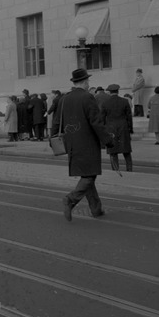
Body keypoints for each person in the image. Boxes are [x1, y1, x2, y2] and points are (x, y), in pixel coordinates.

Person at [55, 68, 114, 222]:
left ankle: (96, 209)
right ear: (85, 81)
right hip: (87, 143)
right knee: (89, 175)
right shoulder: (87, 97)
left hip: (72, 143)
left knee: (88, 175)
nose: (89, 84)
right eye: (88, 81)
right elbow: (96, 122)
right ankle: (70, 199)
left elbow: (56, 122)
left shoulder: (64, 98)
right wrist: (108, 140)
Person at [101, 84, 133, 172]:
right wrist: (130, 128)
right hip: (123, 127)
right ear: (118, 91)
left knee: (113, 151)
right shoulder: (124, 101)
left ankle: (115, 170)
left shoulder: (105, 103)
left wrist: (103, 131)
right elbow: (129, 116)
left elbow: (102, 118)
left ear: (109, 92)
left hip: (111, 128)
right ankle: (129, 169)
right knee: (126, 150)